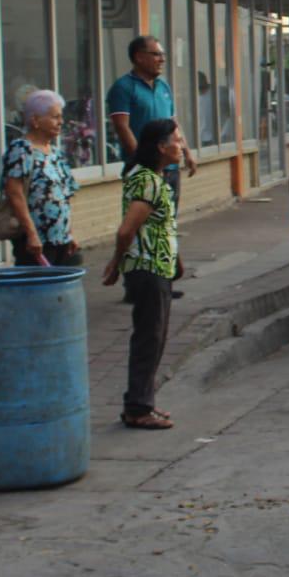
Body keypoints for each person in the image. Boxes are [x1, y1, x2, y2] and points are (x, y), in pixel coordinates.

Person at [101, 118, 185, 431]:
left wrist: (176, 258)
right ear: (161, 147)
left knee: (154, 336)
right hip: (148, 268)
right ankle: (137, 407)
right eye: (177, 140)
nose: (181, 146)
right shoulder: (148, 180)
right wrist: (115, 263)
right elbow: (128, 229)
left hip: (158, 265)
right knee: (149, 338)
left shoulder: (152, 177)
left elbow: (159, 226)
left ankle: (143, 401)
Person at [108, 37, 197, 296]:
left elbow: (173, 124)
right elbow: (122, 126)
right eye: (156, 54)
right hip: (145, 169)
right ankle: (135, 284)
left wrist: (187, 152)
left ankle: (164, 279)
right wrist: (142, 160)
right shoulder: (124, 88)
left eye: (163, 54)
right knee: (138, 225)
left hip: (167, 168)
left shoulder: (163, 86)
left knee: (166, 222)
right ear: (138, 56)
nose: (162, 59)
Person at [2, 89, 81, 267]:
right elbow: (15, 194)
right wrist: (31, 234)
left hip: (60, 238)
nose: (61, 122)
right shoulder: (21, 150)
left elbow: (64, 195)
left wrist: (69, 233)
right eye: (55, 117)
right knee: (38, 291)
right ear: (35, 120)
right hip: (36, 242)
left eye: (61, 117)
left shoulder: (55, 153)